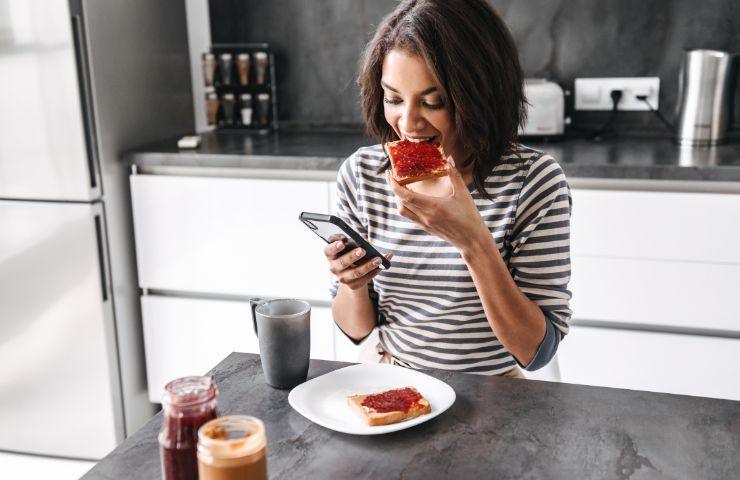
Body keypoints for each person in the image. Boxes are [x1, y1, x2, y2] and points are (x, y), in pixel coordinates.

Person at [326, 0, 572, 377]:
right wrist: (353, 285)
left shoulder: (534, 182)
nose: (407, 122)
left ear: (480, 94)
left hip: (494, 392)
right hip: (392, 376)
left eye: (433, 101)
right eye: (393, 98)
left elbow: (536, 352)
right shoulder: (362, 175)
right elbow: (357, 331)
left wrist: (473, 242)